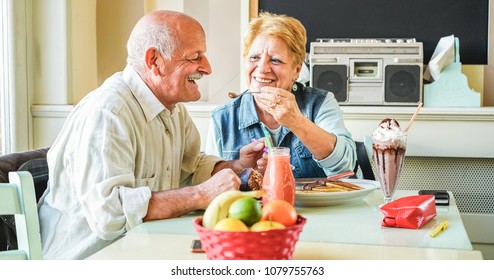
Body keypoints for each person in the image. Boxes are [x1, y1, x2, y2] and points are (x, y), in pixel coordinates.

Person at [37, 10, 265, 260]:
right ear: (154, 60)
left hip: (145, 250)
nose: (207, 67)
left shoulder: (173, 110)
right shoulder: (107, 113)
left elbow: (190, 166)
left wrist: (236, 165)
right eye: (195, 56)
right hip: (90, 262)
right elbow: (109, 214)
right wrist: (201, 194)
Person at [205, 12, 356, 178]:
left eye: (275, 60)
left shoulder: (320, 103)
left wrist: (296, 122)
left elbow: (345, 168)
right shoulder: (222, 118)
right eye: (254, 57)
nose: (262, 68)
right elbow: (212, 185)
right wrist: (249, 175)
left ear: (296, 71)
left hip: (316, 205)